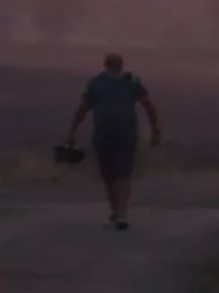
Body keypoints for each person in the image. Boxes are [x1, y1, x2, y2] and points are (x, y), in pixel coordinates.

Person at [67, 53, 161, 230]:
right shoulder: (99, 82)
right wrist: (155, 128)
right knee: (114, 175)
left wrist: (73, 130)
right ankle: (118, 213)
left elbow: (83, 109)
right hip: (111, 134)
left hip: (117, 134)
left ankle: (120, 213)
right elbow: (148, 105)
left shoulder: (128, 80)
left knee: (117, 174)